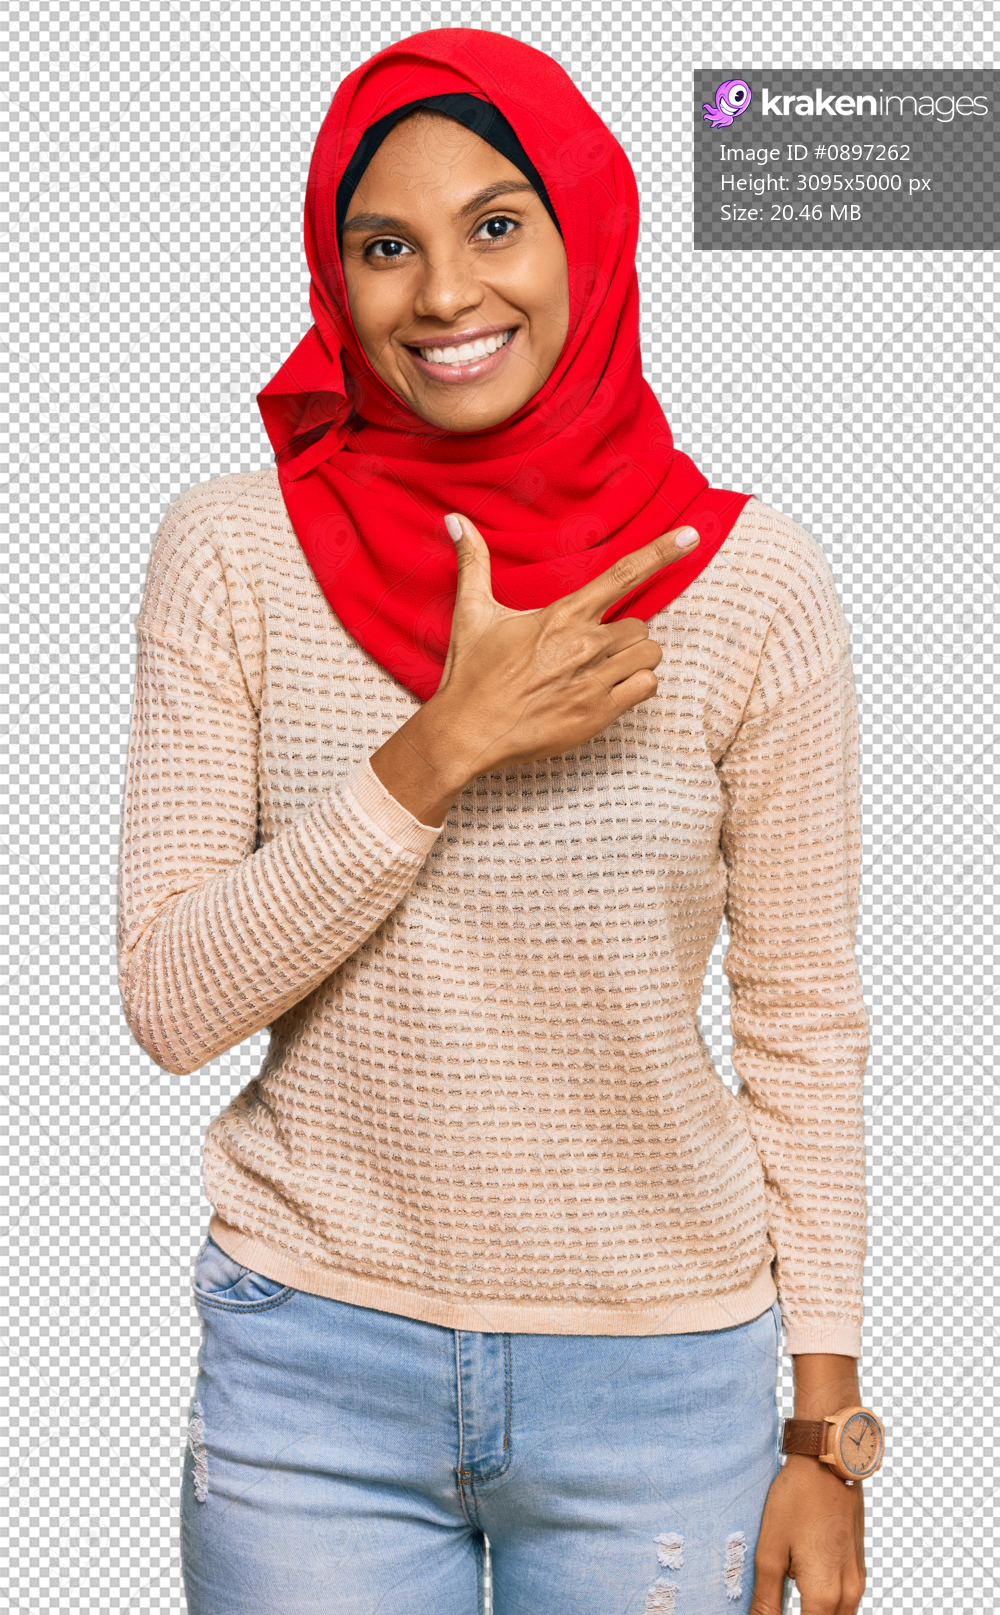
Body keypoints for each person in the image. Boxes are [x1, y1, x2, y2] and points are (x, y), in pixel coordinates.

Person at [118, 28, 879, 1615]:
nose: (445, 294)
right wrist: (437, 747)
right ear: (337, 278)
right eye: (383, 246)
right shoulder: (231, 554)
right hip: (313, 1362)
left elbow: (803, 1025)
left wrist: (825, 1429)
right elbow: (173, 998)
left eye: (496, 223)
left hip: (661, 1387)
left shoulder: (751, 585)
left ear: (586, 234)